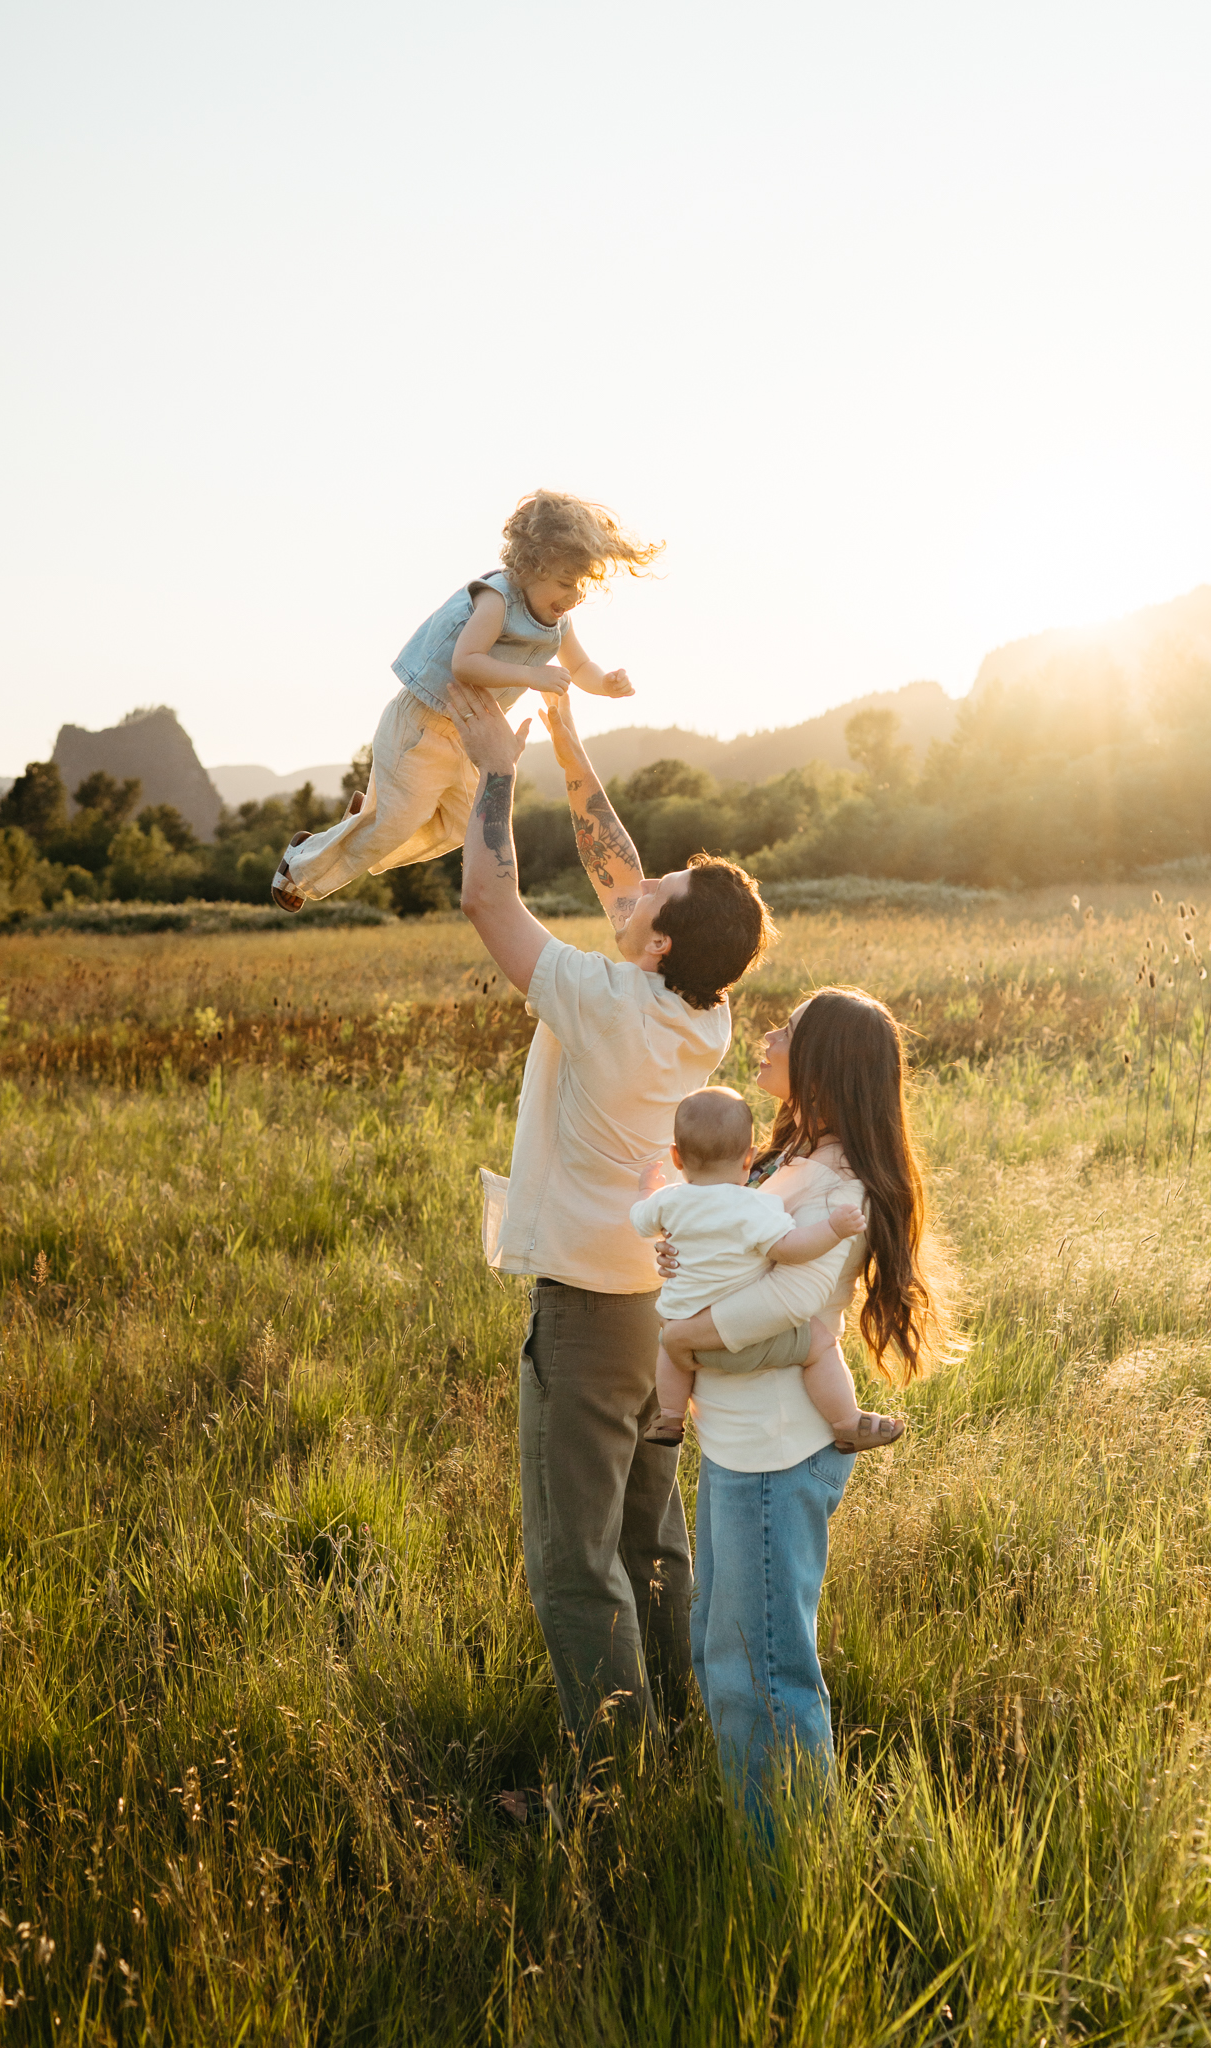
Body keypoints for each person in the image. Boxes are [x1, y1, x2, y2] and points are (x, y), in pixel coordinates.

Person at [448, 678, 777, 1801]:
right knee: (651, 1535)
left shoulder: (601, 998)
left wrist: (498, 765)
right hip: (656, 1304)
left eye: (658, 893)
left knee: (572, 1558)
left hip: (588, 1311)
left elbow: (487, 898)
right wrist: (570, 741)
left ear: (661, 937)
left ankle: (608, 1778)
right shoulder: (700, 1008)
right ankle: (683, 1726)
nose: (634, 890)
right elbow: (621, 874)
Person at [655, 988, 946, 1821]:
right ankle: (764, 1853)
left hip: (777, 1452)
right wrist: (685, 1252)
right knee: (726, 1654)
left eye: (787, 1029)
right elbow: (731, 1257)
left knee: (764, 1676)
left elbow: (785, 1304)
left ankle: (786, 1877)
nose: (768, 1035)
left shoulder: (839, 1182)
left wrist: (681, 1338)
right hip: (742, 1444)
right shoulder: (790, 1161)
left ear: (820, 1062)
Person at [270, 491, 661, 911]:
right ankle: (301, 867)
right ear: (532, 565)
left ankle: (362, 824)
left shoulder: (557, 623)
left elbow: (580, 666)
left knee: (467, 825)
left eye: (582, 585)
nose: (574, 595)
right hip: (423, 723)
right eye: (566, 582)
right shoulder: (496, 600)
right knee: (395, 824)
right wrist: (531, 676)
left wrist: (605, 682)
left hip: (468, 736)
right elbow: (466, 663)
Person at [629, 1086, 906, 1454]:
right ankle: (847, 1423)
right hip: (742, 1339)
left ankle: (669, 1416)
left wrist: (648, 1189)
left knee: (668, 1345)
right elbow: (790, 1250)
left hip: (682, 1333)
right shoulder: (755, 1206)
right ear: (749, 1158)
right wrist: (833, 1229)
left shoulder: (669, 1201)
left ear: (676, 1157)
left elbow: (640, 1219)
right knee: (820, 1343)